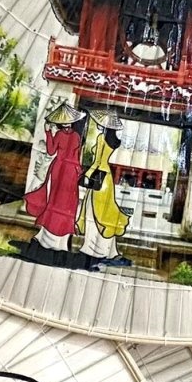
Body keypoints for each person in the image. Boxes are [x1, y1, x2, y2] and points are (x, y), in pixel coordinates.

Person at [20, 101, 84, 257]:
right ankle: (60, 237)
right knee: (67, 202)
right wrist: (78, 171)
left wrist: (48, 132)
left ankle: (50, 234)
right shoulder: (77, 136)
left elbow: (50, 151)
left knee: (55, 200)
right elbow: (75, 156)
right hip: (71, 170)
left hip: (60, 168)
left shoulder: (60, 134)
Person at [78, 111, 133, 270]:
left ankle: (93, 249)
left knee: (93, 214)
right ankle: (108, 251)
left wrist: (87, 174)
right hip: (106, 178)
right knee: (104, 213)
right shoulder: (114, 141)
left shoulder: (101, 138)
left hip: (98, 176)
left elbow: (96, 162)